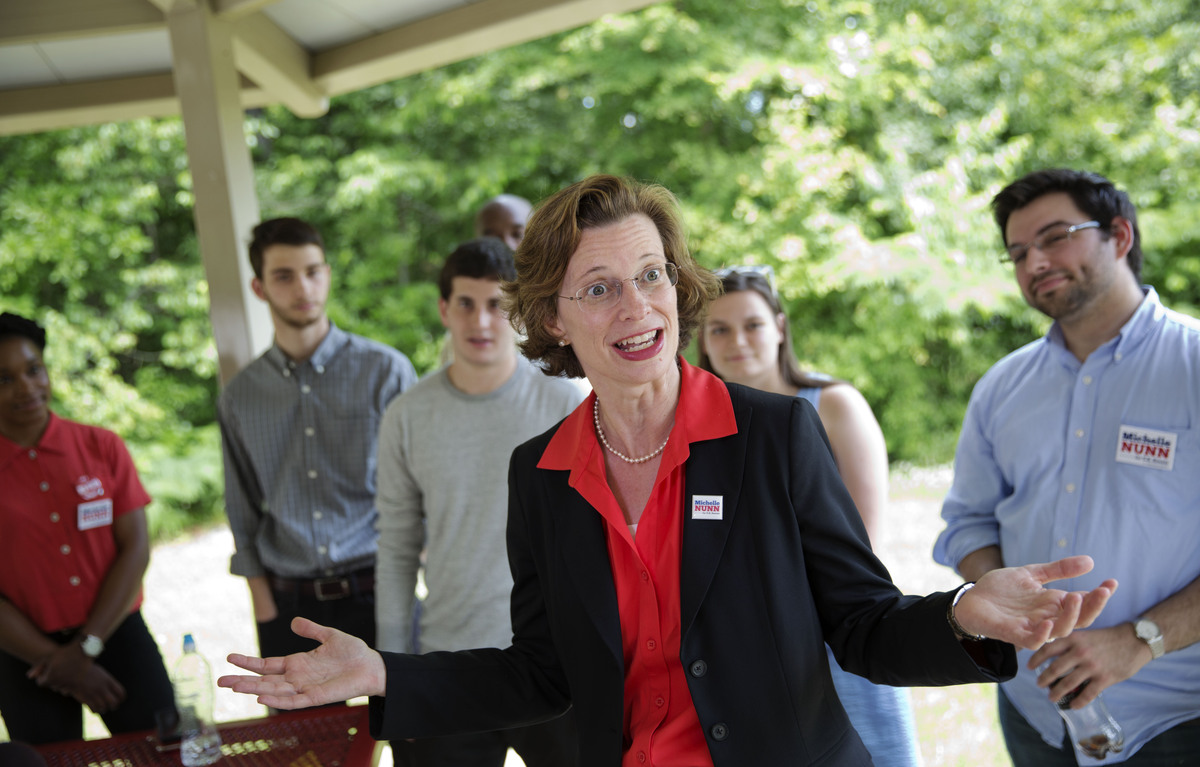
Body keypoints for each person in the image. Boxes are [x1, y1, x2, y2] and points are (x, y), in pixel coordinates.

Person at [220, 175, 1117, 767]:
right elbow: (542, 671)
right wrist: (389, 672)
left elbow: (861, 624)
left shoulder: (774, 434)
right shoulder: (541, 472)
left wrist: (962, 613)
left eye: (651, 274)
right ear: (554, 319)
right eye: (599, 286)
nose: (638, 306)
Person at [933, 168, 1200, 765]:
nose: (1035, 262)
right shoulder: (1002, 386)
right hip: (1035, 711)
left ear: (1120, 236)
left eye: (1055, 237)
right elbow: (969, 523)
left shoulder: (1192, 365)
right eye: (1018, 253)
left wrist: (1139, 641)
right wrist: (1002, 597)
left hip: (1176, 716)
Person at [697, 265, 922, 766]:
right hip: (742, 651)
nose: (738, 341)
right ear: (703, 342)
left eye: (753, 325)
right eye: (720, 329)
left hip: (838, 637)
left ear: (780, 327)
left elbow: (862, 545)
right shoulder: (696, 431)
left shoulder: (835, 405)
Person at [374, 237, 584, 766]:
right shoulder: (407, 414)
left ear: (517, 311)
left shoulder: (567, 401)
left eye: (495, 304)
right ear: (444, 309)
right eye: (465, 304)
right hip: (450, 658)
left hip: (555, 660)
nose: (481, 321)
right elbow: (397, 549)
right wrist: (393, 673)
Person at [217, 217, 417, 662]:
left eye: (312, 272)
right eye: (283, 276)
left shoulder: (386, 372)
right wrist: (263, 606)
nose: (302, 288)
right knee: (299, 714)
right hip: (288, 605)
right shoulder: (240, 395)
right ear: (259, 288)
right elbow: (240, 504)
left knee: (410, 711)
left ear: (326, 274)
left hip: (381, 591)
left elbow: (422, 484)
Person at [0, 312, 175, 744]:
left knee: (165, 751)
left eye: (33, 370)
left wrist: (85, 649)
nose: (26, 387)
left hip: (116, 631)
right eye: (4, 379)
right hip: (23, 654)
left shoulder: (101, 446)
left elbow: (136, 549)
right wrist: (58, 661)